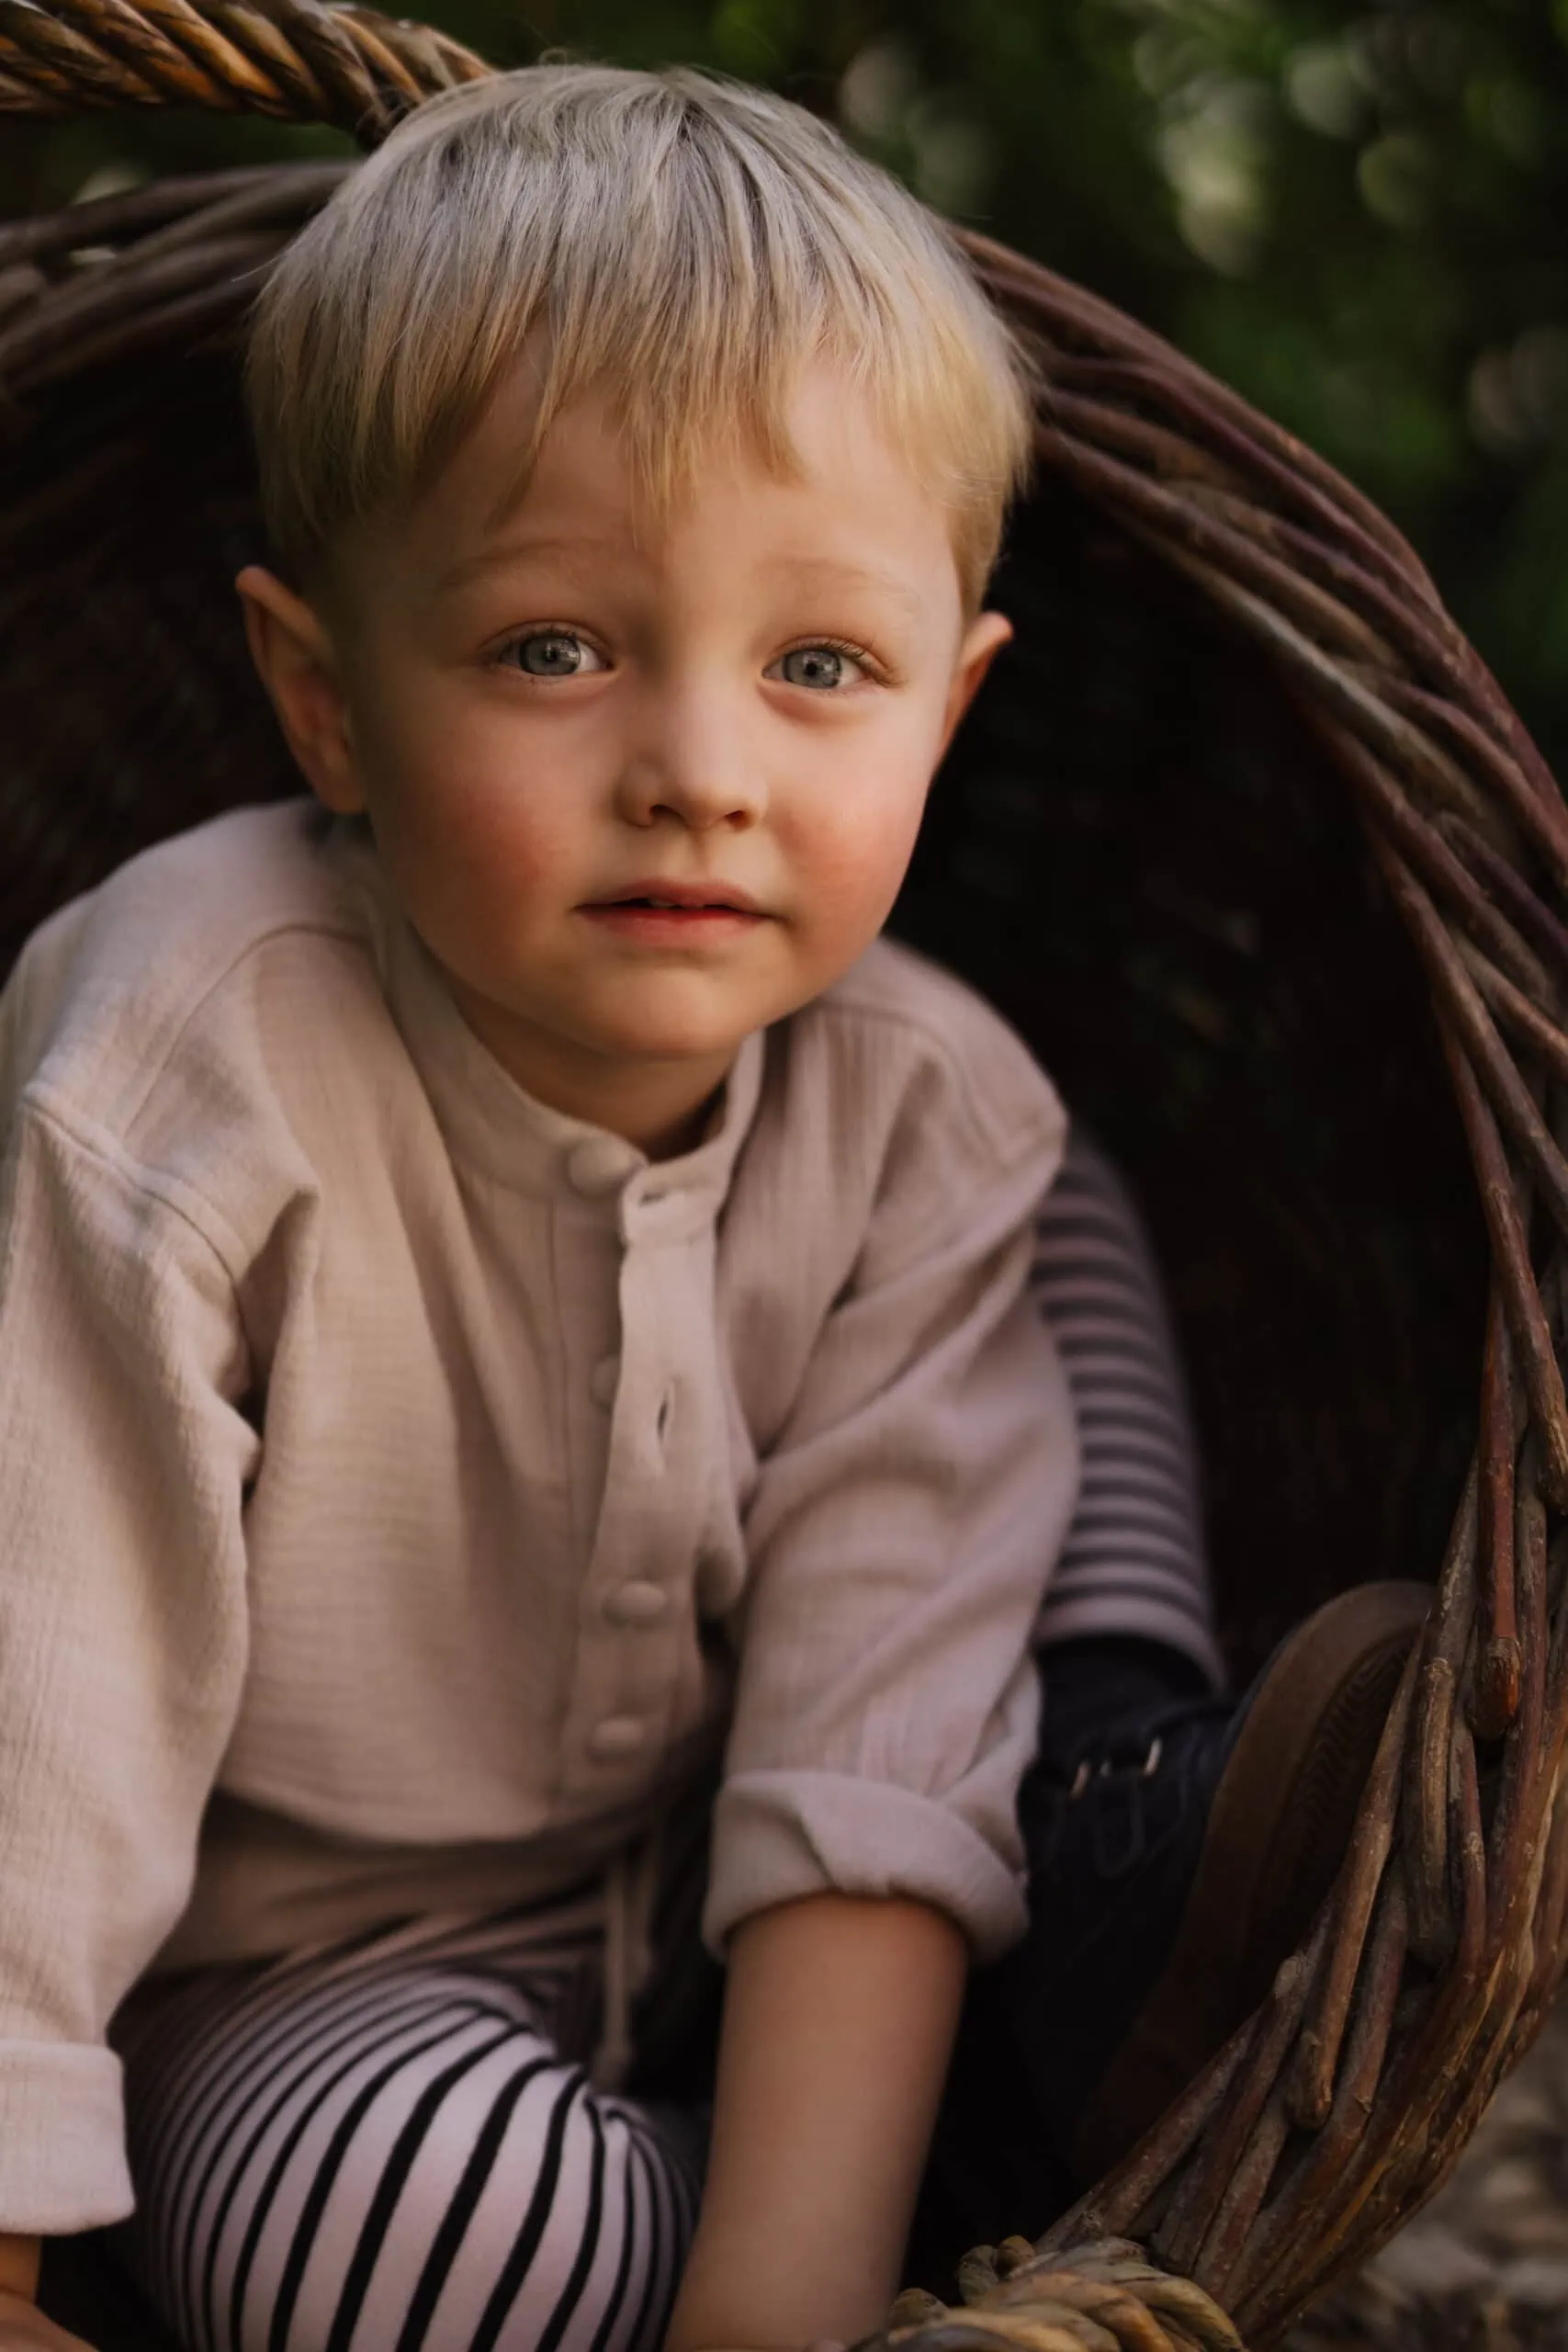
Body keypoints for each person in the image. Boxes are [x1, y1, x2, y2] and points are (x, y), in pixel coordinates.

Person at [0, 62, 1427, 2352]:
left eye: (819, 667)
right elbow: (36, 1679)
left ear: (945, 717)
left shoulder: (909, 1088)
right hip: (309, 1971)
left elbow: (879, 1703)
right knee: (417, 2232)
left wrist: (781, 2308)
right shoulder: (192, 1040)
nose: (698, 762)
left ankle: (1125, 1790)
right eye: (553, 647)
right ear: (325, 695)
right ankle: (992, 2126)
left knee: (1026, 1183)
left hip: (849, 1893)